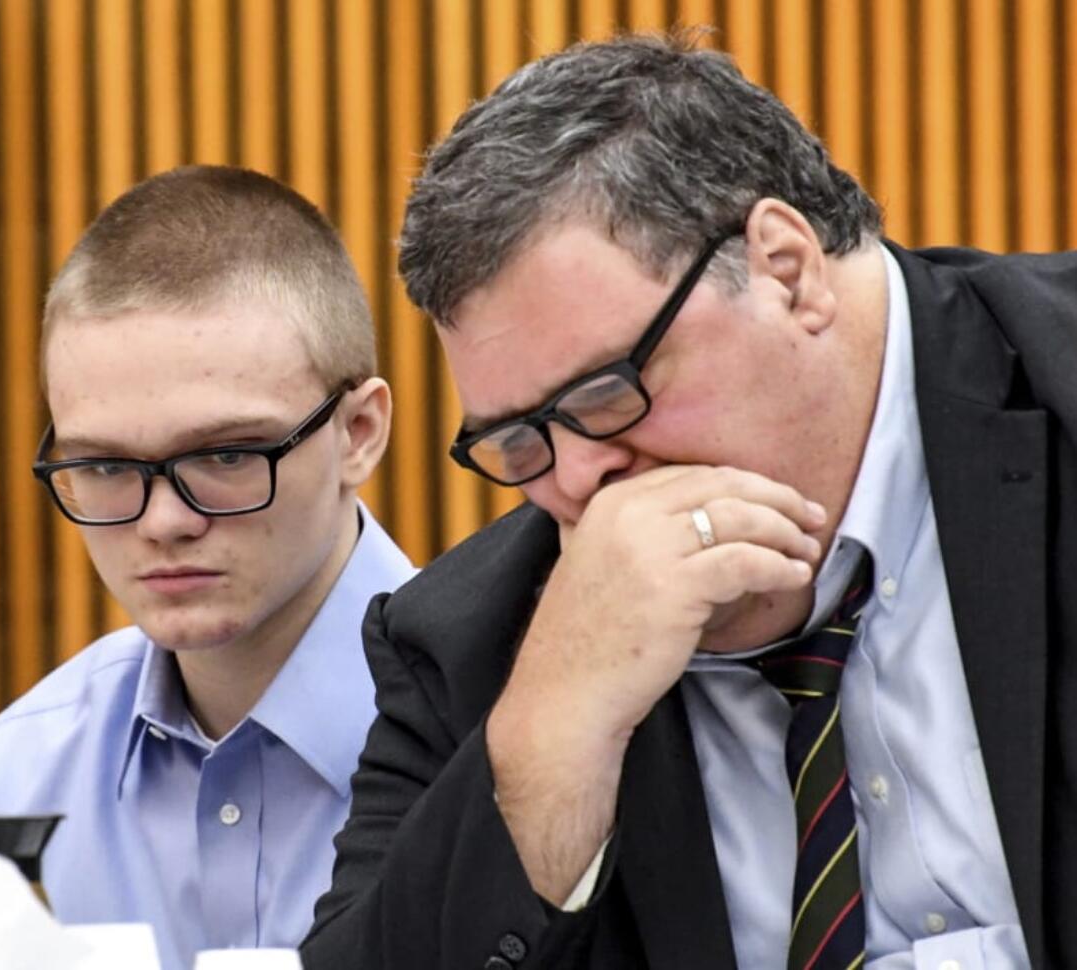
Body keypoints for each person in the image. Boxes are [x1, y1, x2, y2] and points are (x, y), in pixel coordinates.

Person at [301, 33, 1077, 970]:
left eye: (604, 394)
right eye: (518, 439)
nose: (577, 481)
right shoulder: (477, 643)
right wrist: (552, 738)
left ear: (785, 270)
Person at [0, 165, 415, 970]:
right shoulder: (13, 776)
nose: (164, 522)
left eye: (225, 453)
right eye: (106, 466)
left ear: (358, 433)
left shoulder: (518, 732)